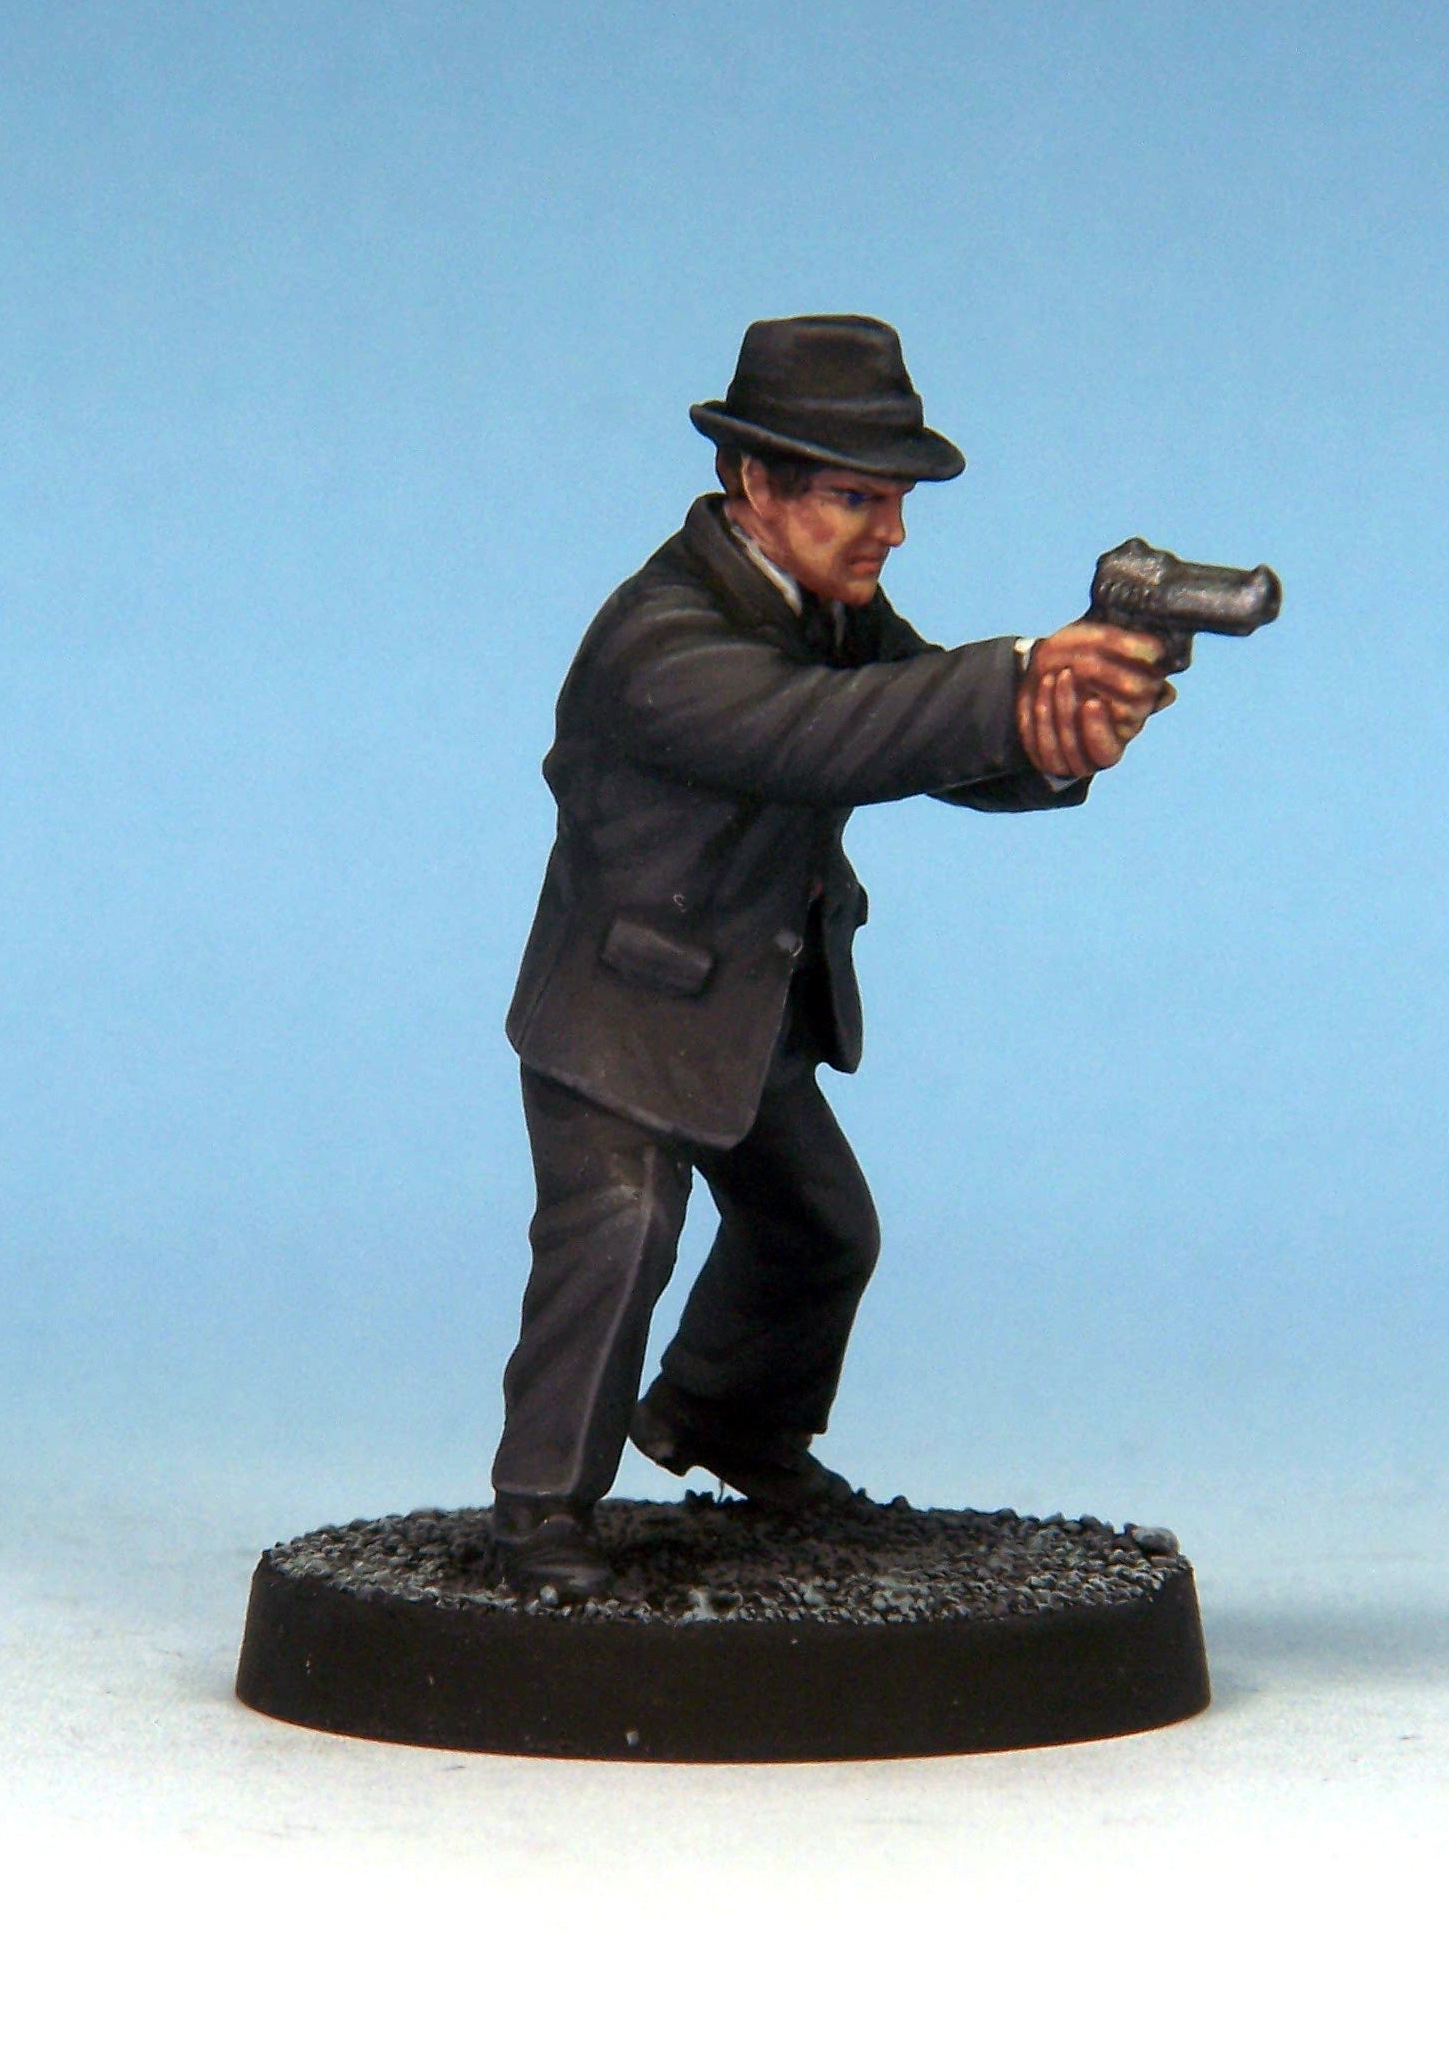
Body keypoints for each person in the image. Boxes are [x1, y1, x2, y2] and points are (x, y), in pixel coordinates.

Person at [490, 315, 1172, 1599]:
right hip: (623, 1009)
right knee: (618, 1235)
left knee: (818, 1232)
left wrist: (1051, 736)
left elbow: (913, 722)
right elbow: (822, 733)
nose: (893, 531)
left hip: (748, 1002)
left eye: (897, 499)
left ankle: (727, 1420)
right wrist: (1022, 670)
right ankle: (539, 1515)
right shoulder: (662, 639)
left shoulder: (825, 613)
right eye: (859, 498)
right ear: (754, 481)